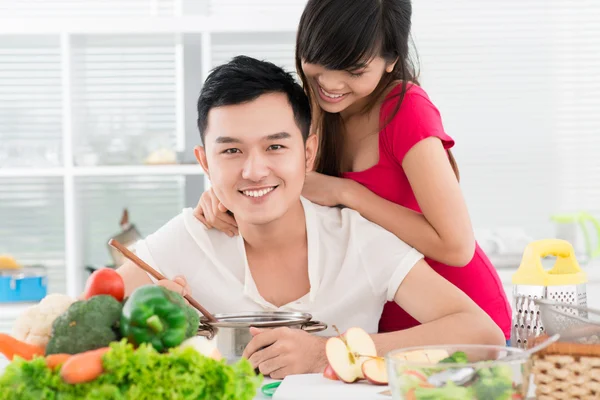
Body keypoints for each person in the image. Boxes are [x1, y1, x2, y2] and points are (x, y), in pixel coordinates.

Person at [117, 56, 504, 379]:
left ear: (307, 153)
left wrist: (328, 353)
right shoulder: (189, 236)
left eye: (275, 146)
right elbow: (76, 325)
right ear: (205, 162)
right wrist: (139, 324)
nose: (254, 170)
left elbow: (482, 334)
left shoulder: (358, 239)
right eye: (231, 151)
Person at [194, 0, 512, 343]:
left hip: (459, 320)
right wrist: (220, 196)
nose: (330, 82)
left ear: (391, 60)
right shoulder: (315, 107)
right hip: (379, 326)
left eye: (355, 71)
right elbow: (279, 185)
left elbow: (456, 247)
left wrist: (346, 193)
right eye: (319, 63)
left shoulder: (405, 111)